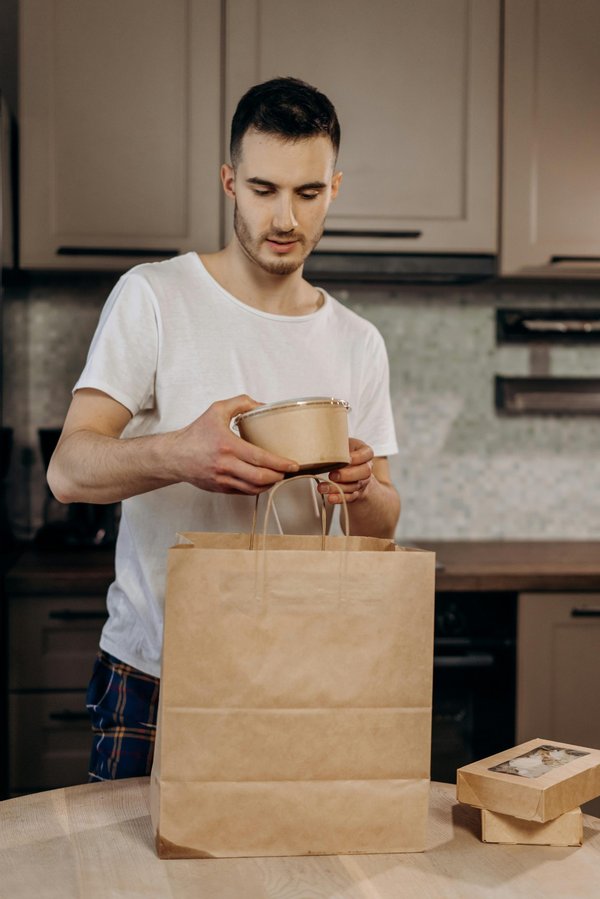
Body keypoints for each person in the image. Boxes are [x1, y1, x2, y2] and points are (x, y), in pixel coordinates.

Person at [47, 76, 401, 781]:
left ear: (334, 188)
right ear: (229, 181)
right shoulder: (154, 297)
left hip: (297, 676)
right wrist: (181, 453)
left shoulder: (358, 342)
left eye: (306, 193)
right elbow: (67, 470)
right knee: (131, 889)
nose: (285, 218)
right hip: (156, 676)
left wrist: (360, 489)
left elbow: (381, 527)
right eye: (264, 189)